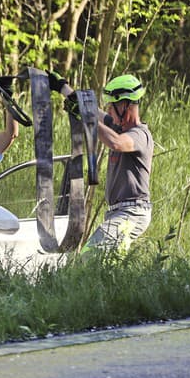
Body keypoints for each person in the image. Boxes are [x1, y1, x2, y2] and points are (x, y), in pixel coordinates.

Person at [50, 72, 154, 253]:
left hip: (132, 213)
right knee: (104, 264)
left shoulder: (140, 135)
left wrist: (87, 121)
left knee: (89, 255)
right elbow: (91, 110)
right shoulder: (117, 126)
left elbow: (117, 143)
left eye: (112, 107)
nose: (109, 111)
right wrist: (62, 87)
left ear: (125, 104)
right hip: (117, 213)